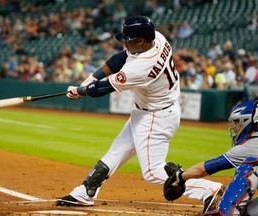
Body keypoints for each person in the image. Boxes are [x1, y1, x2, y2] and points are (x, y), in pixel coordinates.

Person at [55, 16, 223, 213]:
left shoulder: (142, 67)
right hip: (150, 111)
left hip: (156, 117)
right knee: (116, 152)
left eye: (128, 39)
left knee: (153, 172)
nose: (124, 43)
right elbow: (120, 58)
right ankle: (85, 193)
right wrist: (89, 79)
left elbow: (103, 88)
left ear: (141, 41)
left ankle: (210, 190)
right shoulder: (157, 38)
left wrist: (79, 91)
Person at [164, 100, 258, 215]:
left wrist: (180, 177)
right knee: (248, 211)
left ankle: (226, 213)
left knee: (249, 168)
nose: (235, 127)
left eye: (237, 122)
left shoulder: (250, 146)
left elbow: (205, 168)